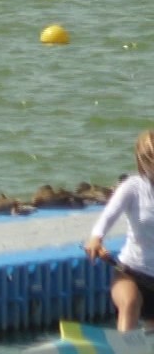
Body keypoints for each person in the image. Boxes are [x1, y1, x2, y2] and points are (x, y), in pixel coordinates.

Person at [85, 130, 154, 333]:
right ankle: (123, 346)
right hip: (130, 272)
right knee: (130, 302)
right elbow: (108, 215)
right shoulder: (132, 187)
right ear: (142, 162)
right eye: (151, 160)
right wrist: (96, 238)